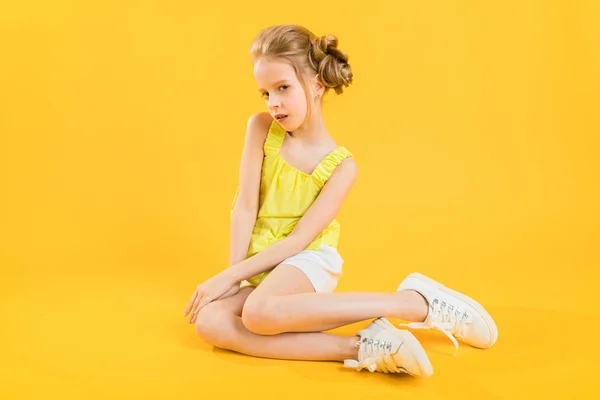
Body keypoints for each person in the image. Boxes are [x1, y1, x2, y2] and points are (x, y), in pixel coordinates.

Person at [183, 24, 498, 376]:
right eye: (265, 93)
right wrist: (231, 278)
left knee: (257, 314)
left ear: (316, 84)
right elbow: (245, 208)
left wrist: (231, 277)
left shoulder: (341, 167)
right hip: (261, 263)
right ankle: (365, 347)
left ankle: (413, 303)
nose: (273, 103)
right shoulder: (259, 129)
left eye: (283, 88)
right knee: (210, 323)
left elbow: (299, 240)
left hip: (306, 259)